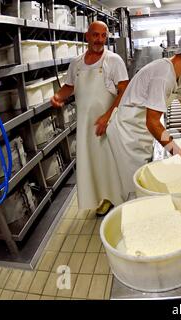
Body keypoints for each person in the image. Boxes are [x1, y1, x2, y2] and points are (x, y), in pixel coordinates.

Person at [106, 33, 181, 198]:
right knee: (134, 189)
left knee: (143, 183)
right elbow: (153, 122)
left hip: (139, 132)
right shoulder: (163, 75)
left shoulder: (179, 76)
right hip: (127, 134)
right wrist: (178, 153)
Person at [50, 21, 129, 215]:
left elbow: (124, 89)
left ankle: (119, 197)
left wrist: (107, 117)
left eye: (103, 36)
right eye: (95, 35)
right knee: (93, 162)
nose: (99, 40)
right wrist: (59, 96)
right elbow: (70, 86)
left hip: (108, 122)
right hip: (86, 124)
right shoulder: (76, 63)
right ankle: (103, 198)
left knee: (111, 161)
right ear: (87, 36)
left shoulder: (113, 60)